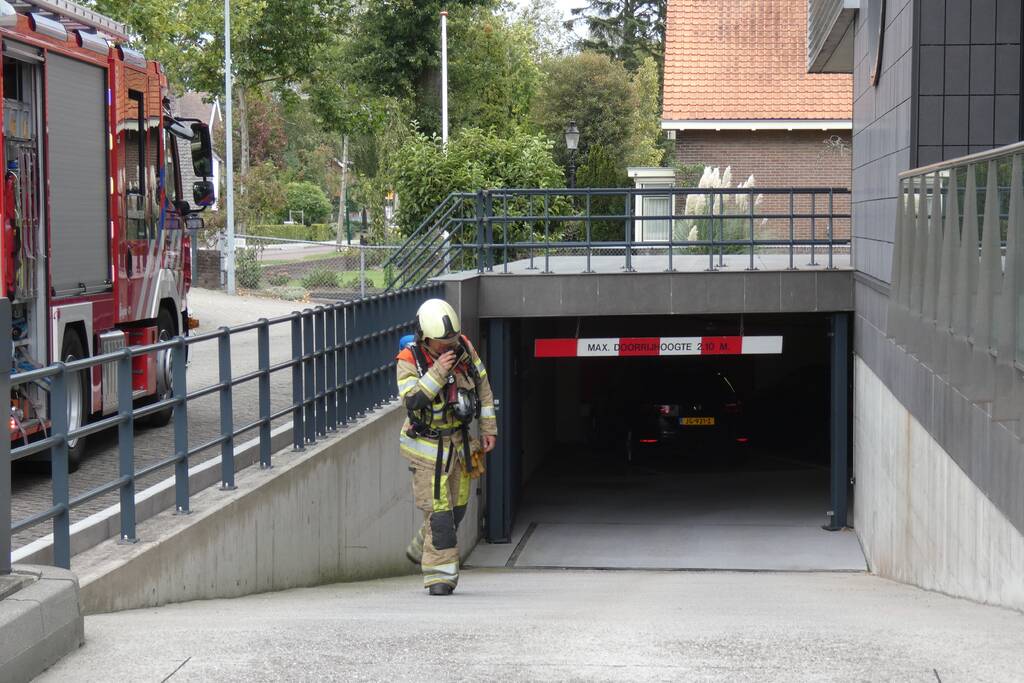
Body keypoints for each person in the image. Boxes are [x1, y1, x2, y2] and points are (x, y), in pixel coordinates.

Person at [396, 298, 496, 595]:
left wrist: (489, 428)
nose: (449, 347)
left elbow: (483, 387)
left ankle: (421, 544)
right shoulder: (408, 360)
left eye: (452, 341)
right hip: (429, 448)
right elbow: (412, 400)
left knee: (459, 509)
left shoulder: (463, 346)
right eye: (442, 344)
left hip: (461, 444)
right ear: (425, 339)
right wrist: (438, 371)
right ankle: (440, 578)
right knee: (440, 515)